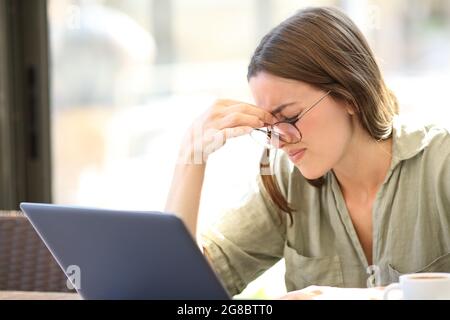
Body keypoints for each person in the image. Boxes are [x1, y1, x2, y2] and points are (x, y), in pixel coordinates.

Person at [165, 6, 450, 299]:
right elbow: (180, 290)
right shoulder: (286, 182)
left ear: (350, 95)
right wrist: (190, 158)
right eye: (269, 126)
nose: (278, 142)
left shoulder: (441, 164)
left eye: (289, 117)